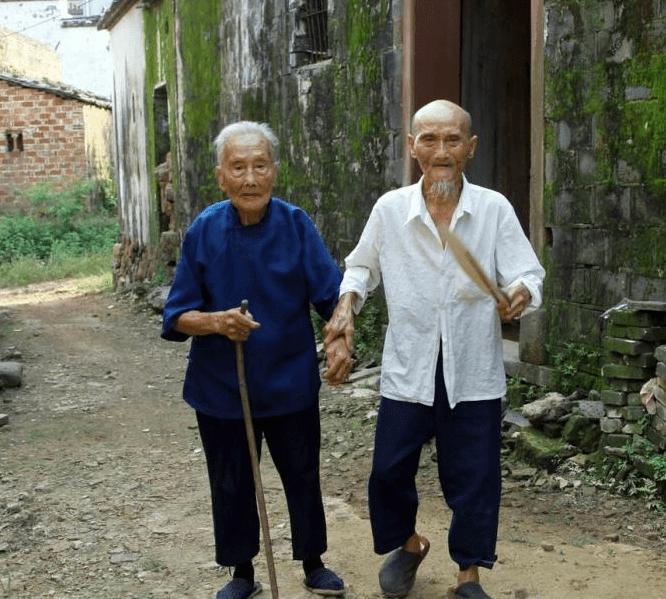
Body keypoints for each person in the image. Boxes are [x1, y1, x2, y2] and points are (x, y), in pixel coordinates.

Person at [323, 100, 545, 599]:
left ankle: (468, 576)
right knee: (388, 470)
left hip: (472, 370)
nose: (441, 151)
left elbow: (528, 273)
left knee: (475, 475)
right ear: (412, 147)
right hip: (410, 367)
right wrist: (346, 305)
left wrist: (520, 294)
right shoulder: (390, 210)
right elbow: (361, 267)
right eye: (429, 140)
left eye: (452, 140)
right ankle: (408, 545)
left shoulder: (493, 209)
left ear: (471, 147)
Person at [161, 121, 346, 599]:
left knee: (302, 474)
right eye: (238, 168)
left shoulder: (295, 224)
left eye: (259, 166)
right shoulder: (204, 230)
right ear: (221, 177)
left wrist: (341, 337)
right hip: (223, 386)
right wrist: (218, 322)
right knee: (231, 481)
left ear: (274, 172)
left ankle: (313, 561)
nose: (250, 179)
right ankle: (241, 573)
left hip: (289, 380)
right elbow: (178, 315)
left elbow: (332, 295)